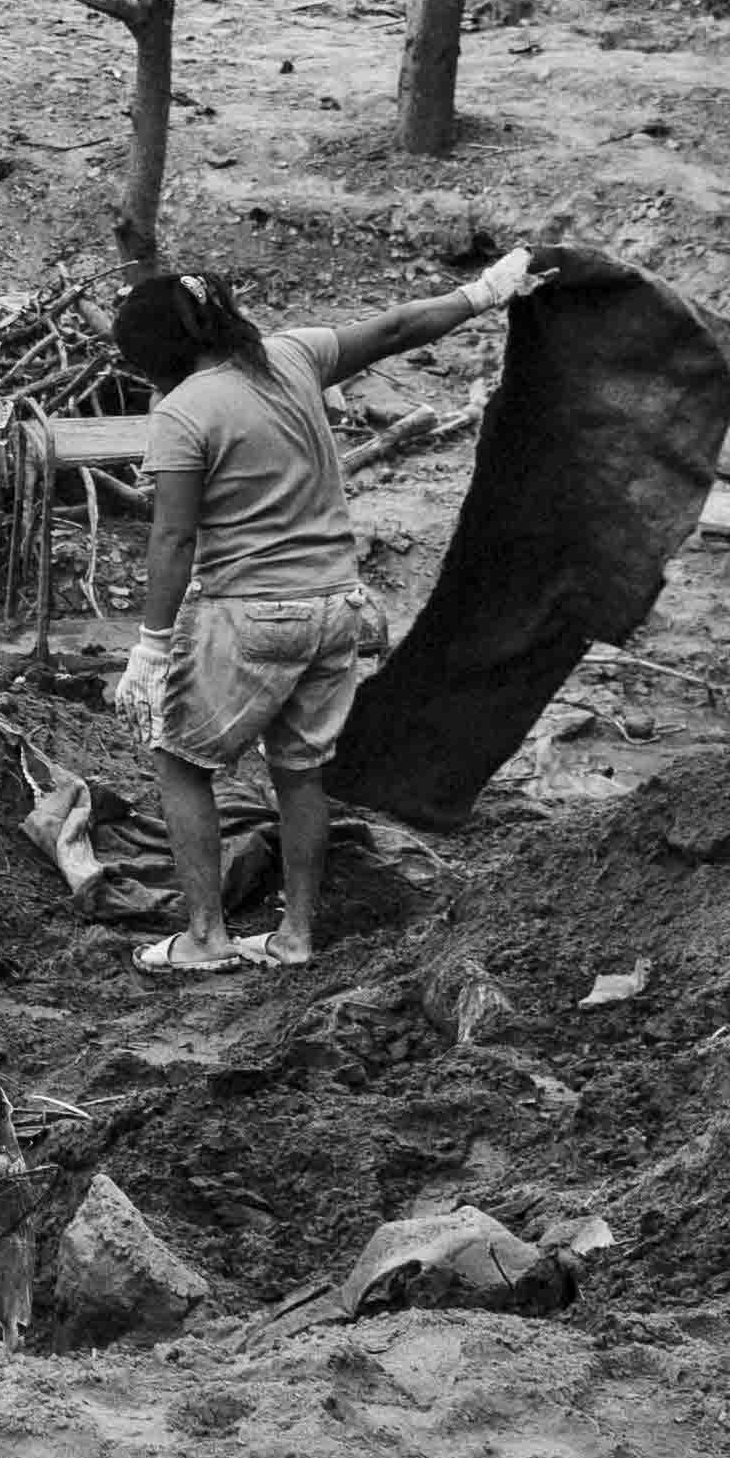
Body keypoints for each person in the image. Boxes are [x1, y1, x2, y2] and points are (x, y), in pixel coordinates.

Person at [108, 249, 541, 974]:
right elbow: (400, 327)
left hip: (251, 612)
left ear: (159, 356)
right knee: (300, 773)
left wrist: (152, 648)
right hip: (339, 606)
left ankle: (207, 938)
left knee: (179, 759)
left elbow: (175, 537)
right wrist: (487, 289)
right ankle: (297, 935)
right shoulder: (292, 356)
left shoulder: (184, 413)